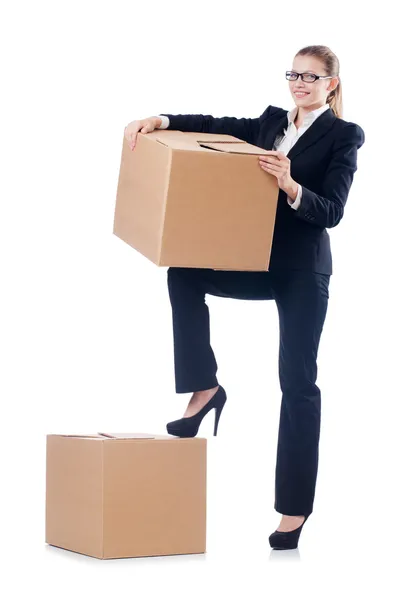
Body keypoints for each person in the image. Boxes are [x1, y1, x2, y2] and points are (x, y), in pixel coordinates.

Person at [124, 44, 365, 550]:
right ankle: (205, 388)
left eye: (311, 76)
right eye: (293, 74)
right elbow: (213, 123)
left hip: (303, 271)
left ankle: (293, 512)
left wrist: (289, 183)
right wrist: (160, 118)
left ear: (331, 85)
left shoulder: (344, 136)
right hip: (255, 258)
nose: (299, 83)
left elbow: (333, 211)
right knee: (183, 272)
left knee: (298, 383)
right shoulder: (270, 122)